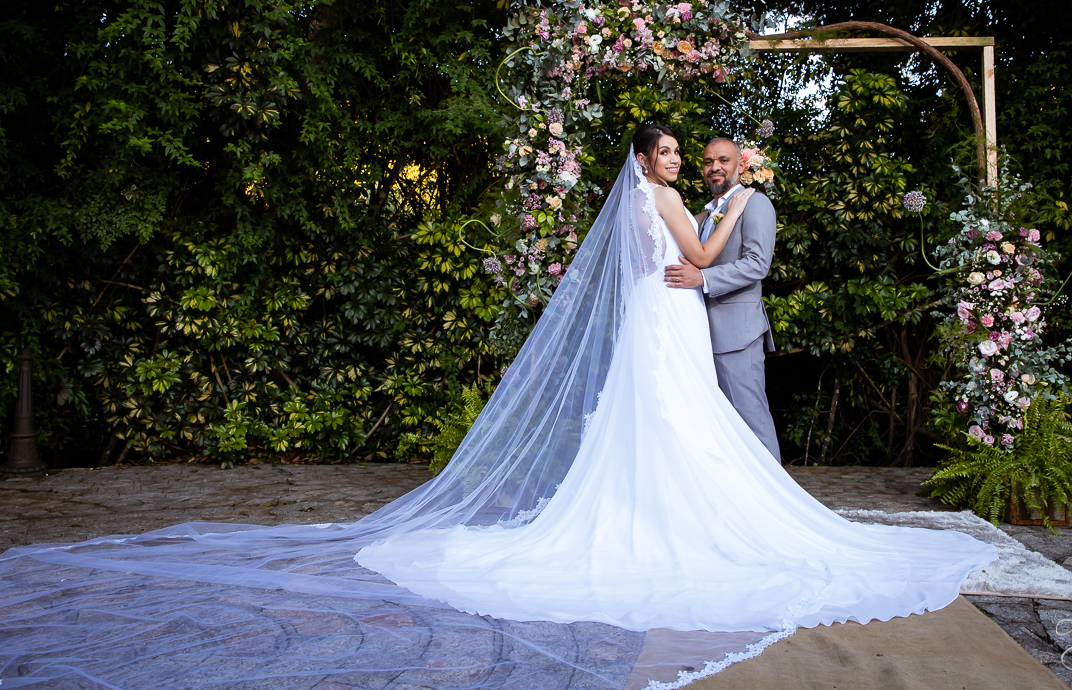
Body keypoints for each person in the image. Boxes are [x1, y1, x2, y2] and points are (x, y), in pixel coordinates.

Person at [0, 123, 997, 687]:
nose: (692, 163)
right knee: (688, 428)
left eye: (702, 157)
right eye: (679, 154)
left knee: (657, 425)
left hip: (666, 327)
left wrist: (728, 225)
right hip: (675, 318)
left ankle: (691, 506)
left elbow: (696, 267)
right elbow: (699, 260)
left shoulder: (640, 202)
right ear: (651, 164)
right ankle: (723, 516)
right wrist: (725, 215)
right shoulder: (684, 204)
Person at [664, 137, 781, 461]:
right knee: (719, 427)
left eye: (723, 160)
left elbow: (758, 264)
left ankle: (772, 501)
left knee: (750, 418)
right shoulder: (701, 217)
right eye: (707, 161)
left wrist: (704, 278)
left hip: (736, 334)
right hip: (699, 335)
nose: (714, 167)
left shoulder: (754, 203)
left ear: (740, 165)